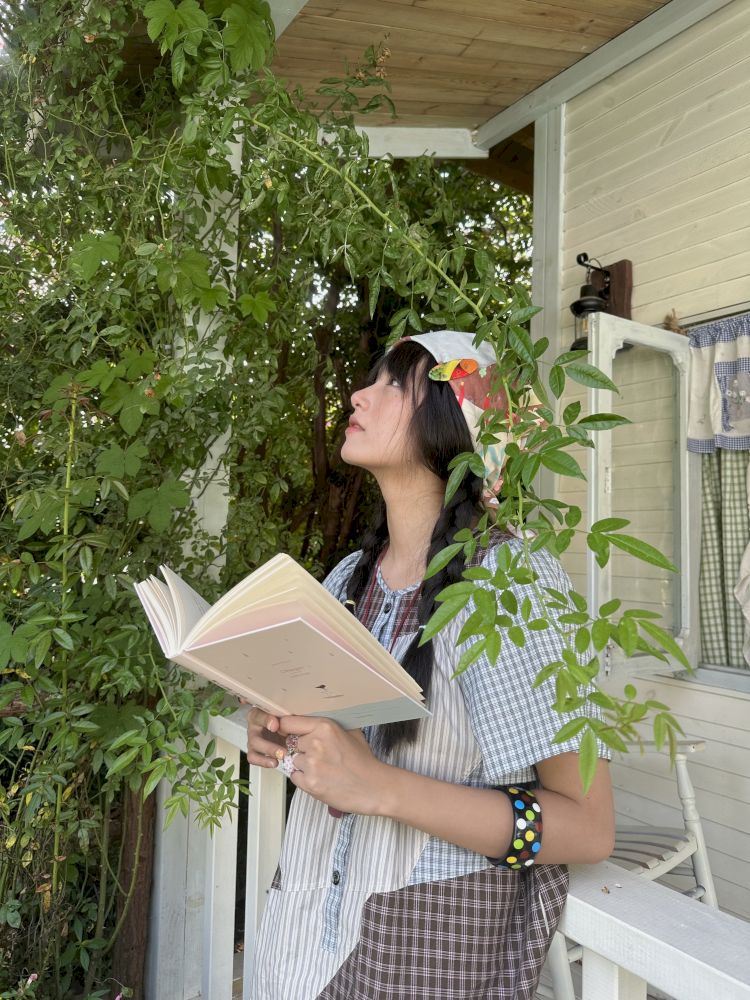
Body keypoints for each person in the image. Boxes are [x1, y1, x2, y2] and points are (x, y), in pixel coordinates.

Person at [246, 330, 615, 1000]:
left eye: (394, 383)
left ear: (455, 428)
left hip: (423, 945)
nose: (359, 395)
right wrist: (279, 731)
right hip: (298, 937)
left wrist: (378, 785)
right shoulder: (348, 579)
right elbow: (329, 747)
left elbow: (588, 826)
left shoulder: (510, 584)